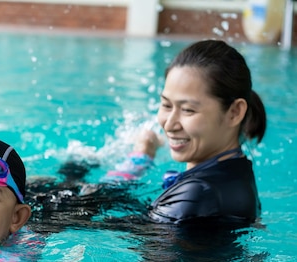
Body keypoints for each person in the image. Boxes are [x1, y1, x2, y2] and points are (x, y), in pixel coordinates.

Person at [28, 39, 265, 228]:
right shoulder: (233, 173)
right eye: (166, 105)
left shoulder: (198, 195)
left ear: (235, 112)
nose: (169, 124)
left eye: (188, 110)